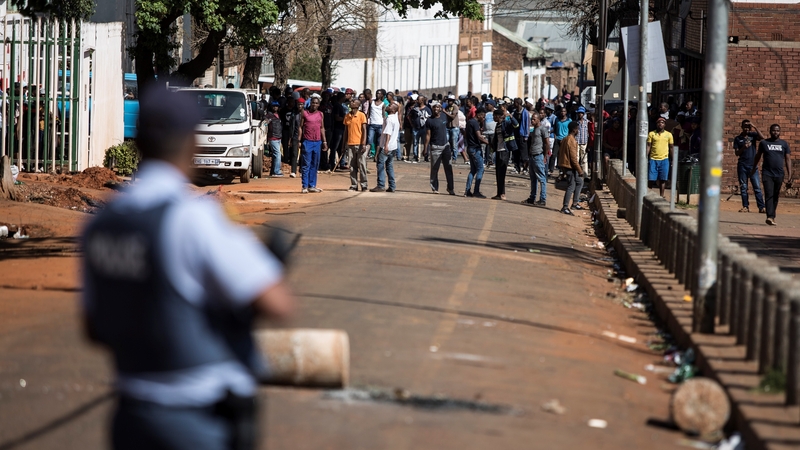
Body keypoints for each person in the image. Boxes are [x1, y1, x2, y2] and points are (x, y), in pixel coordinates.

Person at [81, 88, 294, 450]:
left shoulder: (101, 224)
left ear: (138, 141)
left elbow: (95, 327)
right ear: (191, 143)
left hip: (131, 417)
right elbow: (277, 303)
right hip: (196, 419)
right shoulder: (191, 218)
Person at [750, 124, 792, 226]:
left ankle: (772, 216)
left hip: (779, 174)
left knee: (776, 195)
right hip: (767, 173)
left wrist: (790, 174)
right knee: (769, 194)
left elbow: (787, 159)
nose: (775, 132)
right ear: (770, 131)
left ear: (780, 132)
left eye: (777, 131)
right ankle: (770, 216)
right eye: (774, 131)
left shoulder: (784, 144)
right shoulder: (764, 143)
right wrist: (753, 168)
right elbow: (758, 156)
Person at [733, 119, 766, 213]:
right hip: (742, 165)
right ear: (742, 127)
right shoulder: (738, 138)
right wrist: (744, 147)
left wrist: (754, 126)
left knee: (757, 187)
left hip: (753, 165)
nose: (746, 129)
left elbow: (762, 137)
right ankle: (745, 206)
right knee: (743, 187)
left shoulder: (753, 135)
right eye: (745, 127)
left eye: (748, 127)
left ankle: (761, 207)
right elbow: (737, 153)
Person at [423, 100, 455, 195]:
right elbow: (428, 135)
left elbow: (453, 117)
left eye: (438, 107)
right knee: (434, 168)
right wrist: (426, 148)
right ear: (432, 108)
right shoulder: (429, 120)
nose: (436, 109)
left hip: (446, 146)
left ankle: (450, 188)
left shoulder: (444, 116)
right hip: (435, 147)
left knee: (448, 168)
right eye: (434, 107)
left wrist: (445, 111)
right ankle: (434, 187)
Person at [522, 111, 550, 206]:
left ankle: (543, 199)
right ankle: (532, 197)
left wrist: (545, 156)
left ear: (538, 119)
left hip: (539, 156)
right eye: (531, 119)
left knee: (541, 178)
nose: (532, 121)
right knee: (533, 178)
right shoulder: (533, 130)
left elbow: (547, 143)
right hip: (532, 156)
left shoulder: (543, 129)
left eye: (534, 119)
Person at [300, 96, 326, 193]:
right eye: (313, 103)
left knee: (314, 164)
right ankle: (304, 186)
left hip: (317, 141)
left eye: (316, 103)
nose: (314, 105)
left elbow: (322, 128)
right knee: (306, 164)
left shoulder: (320, 114)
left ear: (319, 105)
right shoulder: (305, 113)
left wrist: (324, 141)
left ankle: (312, 185)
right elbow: (300, 127)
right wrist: (299, 140)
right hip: (307, 141)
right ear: (310, 103)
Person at [371, 102, 399, 192]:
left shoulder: (390, 119)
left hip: (387, 146)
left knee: (380, 164)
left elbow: (388, 134)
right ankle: (392, 186)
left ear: (393, 110)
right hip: (393, 146)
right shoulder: (395, 118)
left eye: (390, 106)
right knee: (389, 166)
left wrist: (386, 145)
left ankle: (381, 185)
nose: (388, 106)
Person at [492, 109, 518, 200]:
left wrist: (510, 116)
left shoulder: (506, 123)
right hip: (498, 150)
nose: (493, 117)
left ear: (498, 116)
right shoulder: (497, 125)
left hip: (505, 150)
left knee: (502, 172)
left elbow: (516, 124)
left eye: (494, 116)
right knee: (498, 172)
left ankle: (502, 193)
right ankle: (499, 193)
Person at [343, 99, 368, 191]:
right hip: (350, 144)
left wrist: (364, 143)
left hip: (360, 144)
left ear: (358, 105)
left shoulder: (361, 115)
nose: (351, 102)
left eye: (354, 101)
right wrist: (343, 145)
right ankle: (354, 185)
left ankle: (364, 184)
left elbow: (364, 130)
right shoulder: (347, 116)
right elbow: (345, 131)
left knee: (362, 165)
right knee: (352, 166)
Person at [559, 121, 583, 215]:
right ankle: (565, 207)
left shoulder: (565, 139)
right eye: (577, 129)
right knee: (571, 186)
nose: (578, 131)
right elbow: (573, 158)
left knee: (580, 182)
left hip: (566, 165)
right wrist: (579, 170)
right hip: (569, 166)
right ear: (574, 129)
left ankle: (575, 203)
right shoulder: (571, 140)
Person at [464, 108, 489, 198]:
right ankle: (476, 191)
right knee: (480, 169)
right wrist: (490, 143)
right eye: (483, 117)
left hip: (470, 147)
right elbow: (479, 137)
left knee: (473, 170)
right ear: (479, 115)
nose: (484, 118)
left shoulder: (470, 122)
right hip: (475, 149)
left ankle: (467, 190)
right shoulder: (474, 123)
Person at [646, 117, 674, 198]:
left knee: (663, 179)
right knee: (651, 179)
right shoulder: (651, 134)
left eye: (662, 122)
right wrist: (645, 156)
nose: (660, 124)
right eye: (659, 122)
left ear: (665, 125)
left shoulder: (669, 135)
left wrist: (673, 159)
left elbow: (671, 147)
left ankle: (661, 195)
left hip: (664, 159)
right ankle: (649, 194)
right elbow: (648, 146)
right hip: (653, 159)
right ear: (656, 124)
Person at [550, 107, 571, 176]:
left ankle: (561, 170)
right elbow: (555, 128)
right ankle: (551, 169)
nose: (562, 113)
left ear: (566, 112)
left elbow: (570, 131)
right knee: (553, 155)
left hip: (565, 140)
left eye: (564, 111)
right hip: (557, 139)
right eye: (561, 111)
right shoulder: (557, 119)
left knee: (562, 156)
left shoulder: (569, 120)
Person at [264, 101, 283, 177]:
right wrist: (266, 121)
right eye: (274, 106)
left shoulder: (279, 115)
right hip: (272, 137)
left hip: (278, 137)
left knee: (276, 155)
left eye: (277, 106)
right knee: (278, 154)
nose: (275, 107)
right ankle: (276, 171)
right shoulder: (268, 115)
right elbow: (265, 122)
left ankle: (273, 171)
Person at [575, 106, 590, 177]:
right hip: (577, 143)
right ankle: (576, 173)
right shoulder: (575, 122)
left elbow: (589, 133)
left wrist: (588, 144)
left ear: (583, 114)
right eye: (579, 113)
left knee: (584, 160)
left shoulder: (587, 122)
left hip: (584, 143)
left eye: (581, 113)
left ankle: (585, 175)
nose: (580, 114)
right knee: (576, 158)